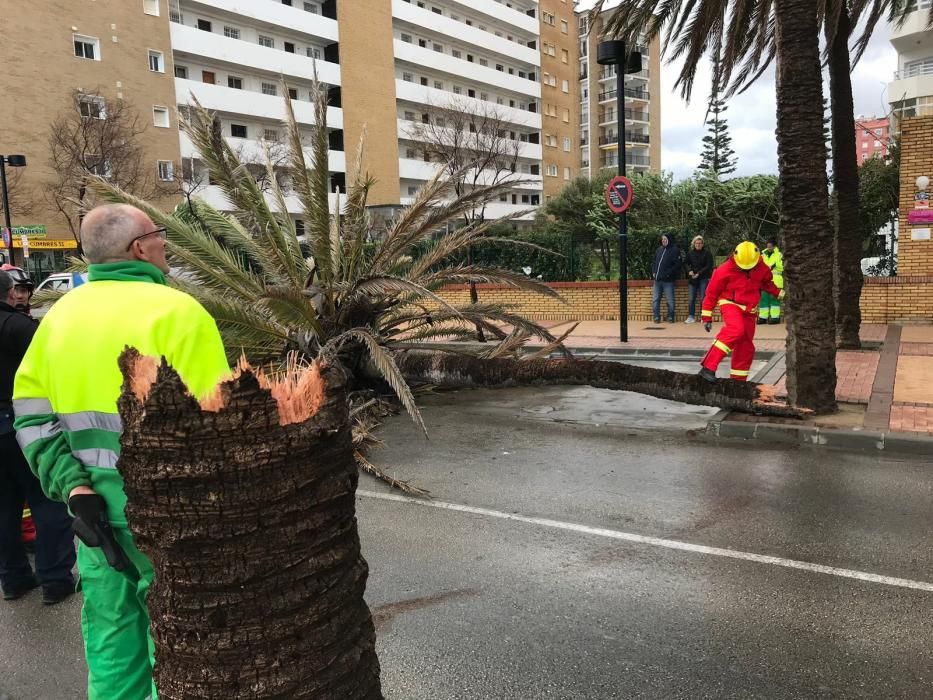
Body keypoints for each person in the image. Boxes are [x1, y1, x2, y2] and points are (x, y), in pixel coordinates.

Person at [14, 204, 230, 699]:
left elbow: (31, 416)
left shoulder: (57, 319)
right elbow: (216, 426)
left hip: (94, 522)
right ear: (139, 248)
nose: (165, 244)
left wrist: (74, 485)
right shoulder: (179, 313)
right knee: (178, 645)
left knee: (113, 645)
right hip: (172, 523)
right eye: (159, 235)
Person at [0, 270, 77, 604]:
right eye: (19, 288)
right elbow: (55, 368)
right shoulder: (22, 328)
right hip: (21, 426)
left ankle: (14, 578)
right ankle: (56, 579)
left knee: (4, 507)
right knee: (48, 500)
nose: (25, 295)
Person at [698, 241, 784, 382]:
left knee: (745, 346)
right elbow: (712, 293)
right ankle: (708, 367)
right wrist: (706, 316)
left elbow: (768, 284)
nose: (747, 270)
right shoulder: (724, 269)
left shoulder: (761, 267)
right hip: (730, 303)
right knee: (735, 330)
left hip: (749, 310)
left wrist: (781, 294)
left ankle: (738, 381)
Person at [651, 233, 682, 323]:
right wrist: (653, 271)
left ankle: (670, 317)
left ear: (669, 240)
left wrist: (668, 273)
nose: (663, 241)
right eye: (662, 239)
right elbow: (654, 262)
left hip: (668, 281)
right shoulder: (658, 250)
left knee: (670, 300)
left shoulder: (675, 250)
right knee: (655, 300)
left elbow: (678, 264)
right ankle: (656, 317)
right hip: (657, 280)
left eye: (665, 239)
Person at [684, 235, 714, 324]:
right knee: (691, 299)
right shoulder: (690, 253)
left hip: (703, 278)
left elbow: (709, 265)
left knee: (703, 298)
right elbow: (685, 263)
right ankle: (691, 316)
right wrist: (689, 271)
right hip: (692, 279)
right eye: (697, 243)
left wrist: (699, 273)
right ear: (694, 244)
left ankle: (703, 317)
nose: (698, 245)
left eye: (700, 243)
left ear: (702, 244)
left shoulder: (707, 253)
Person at [759, 238, 784, 325]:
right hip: (765, 280)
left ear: (774, 246)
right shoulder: (762, 255)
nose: (769, 248)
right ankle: (763, 317)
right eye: (768, 246)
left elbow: (782, 267)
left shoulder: (779, 255)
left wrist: (774, 265)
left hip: (776, 279)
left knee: (774, 299)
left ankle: (775, 317)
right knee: (763, 299)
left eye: (770, 246)